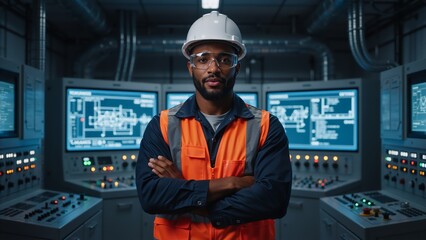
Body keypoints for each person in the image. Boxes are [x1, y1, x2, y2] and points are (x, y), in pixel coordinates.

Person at [136, 11, 292, 240]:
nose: (213, 68)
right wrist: (232, 183)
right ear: (191, 67)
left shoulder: (267, 126)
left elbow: (274, 200)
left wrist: (185, 194)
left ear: (237, 67)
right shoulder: (162, 125)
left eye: (225, 59)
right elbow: (150, 196)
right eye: (202, 58)